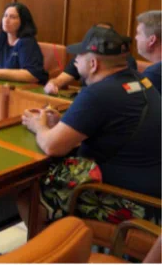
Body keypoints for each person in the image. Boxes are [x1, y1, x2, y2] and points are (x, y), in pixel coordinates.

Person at [22, 26, 160, 222]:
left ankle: (56, 248)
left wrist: (38, 126)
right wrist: (66, 124)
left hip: (128, 202)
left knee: (30, 191)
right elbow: (115, 126)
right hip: (153, 194)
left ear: (93, 63)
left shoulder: (98, 93)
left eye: (79, 56)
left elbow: (52, 146)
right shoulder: (141, 81)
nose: (75, 60)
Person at [44, 22, 138, 94]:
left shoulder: (126, 61)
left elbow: (131, 89)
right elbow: (61, 80)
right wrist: (53, 84)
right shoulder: (83, 56)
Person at [134, 10, 161, 93]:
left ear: (152, 40)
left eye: (138, 33)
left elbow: (133, 93)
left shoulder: (154, 75)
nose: (135, 37)